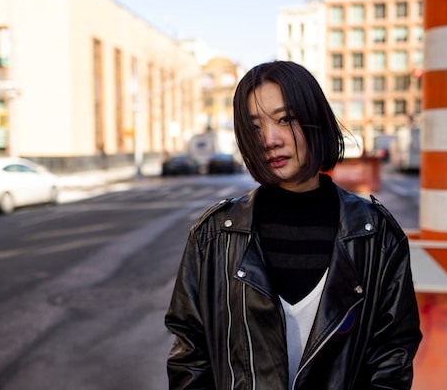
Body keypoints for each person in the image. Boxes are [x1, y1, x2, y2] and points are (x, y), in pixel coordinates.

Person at [165, 61, 422, 390]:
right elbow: (189, 358)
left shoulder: (375, 235)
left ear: (315, 120)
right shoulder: (214, 236)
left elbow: (392, 356)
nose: (270, 139)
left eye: (285, 119)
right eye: (255, 127)